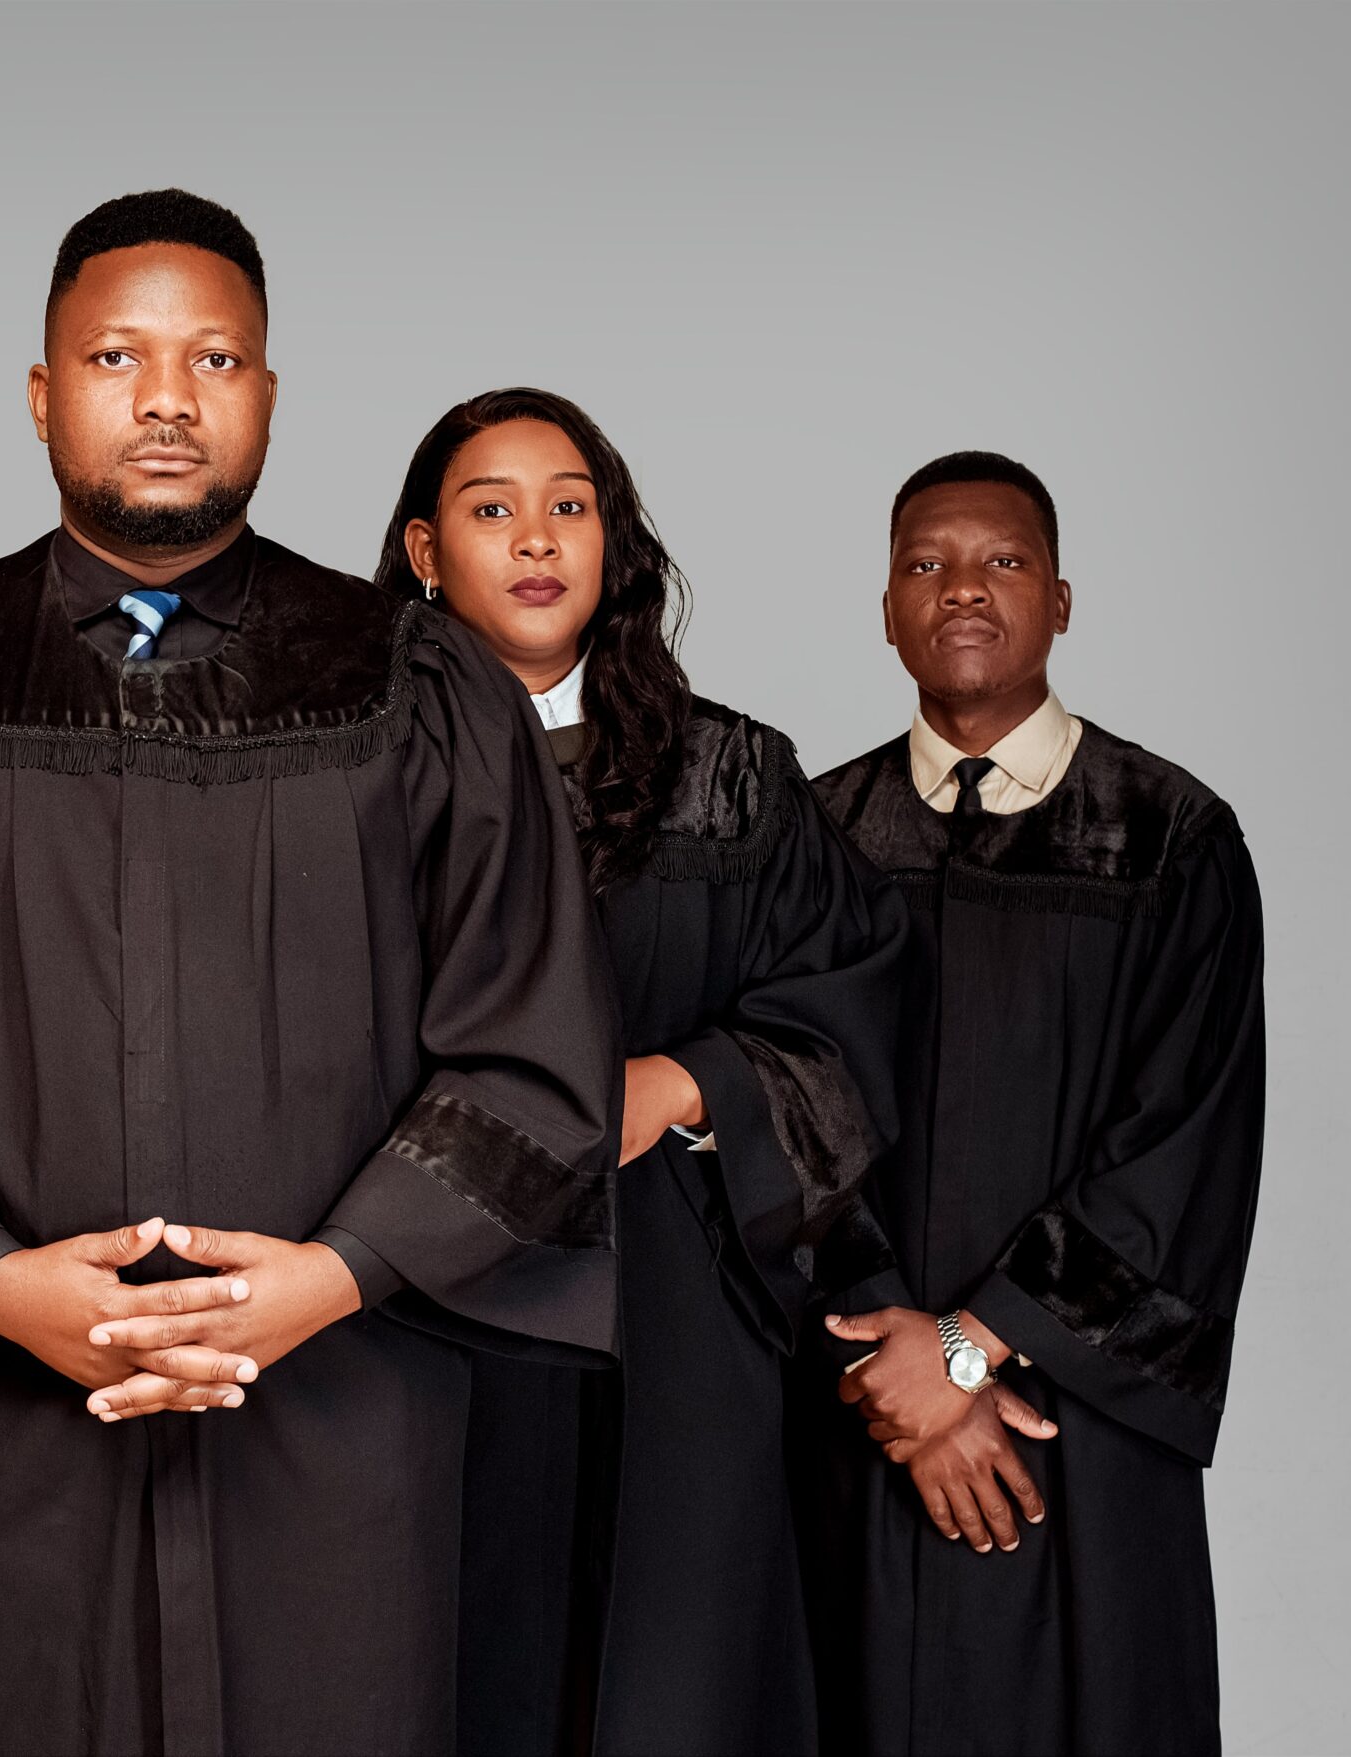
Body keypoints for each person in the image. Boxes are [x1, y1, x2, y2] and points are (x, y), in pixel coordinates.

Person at [0, 192, 619, 1756]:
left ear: (268, 393)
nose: (165, 398)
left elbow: (530, 1055)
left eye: (213, 358)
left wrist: (328, 1278)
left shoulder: (414, 688)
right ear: (40, 392)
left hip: (333, 1430)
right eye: (115, 357)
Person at [377, 389, 920, 1755]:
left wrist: (683, 1084)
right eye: (492, 509)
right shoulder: (350, 777)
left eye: (570, 506)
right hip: (423, 1306)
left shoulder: (729, 775)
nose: (537, 538)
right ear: (427, 550)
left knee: (672, 1678)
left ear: (611, 541)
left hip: (673, 1309)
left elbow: (851, 1005)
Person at [803, 451, 1267, 1756]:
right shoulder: (812, 841)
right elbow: (781, 1123)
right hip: (865, 1418)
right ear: (886, 609)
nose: (963, 588)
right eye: (927, 563)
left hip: (1075, 1426)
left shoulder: (1170, 840)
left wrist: (970, 1344)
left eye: (1002, 561)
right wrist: (892, 1361)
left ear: (1061, 601)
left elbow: (1185, 1149)